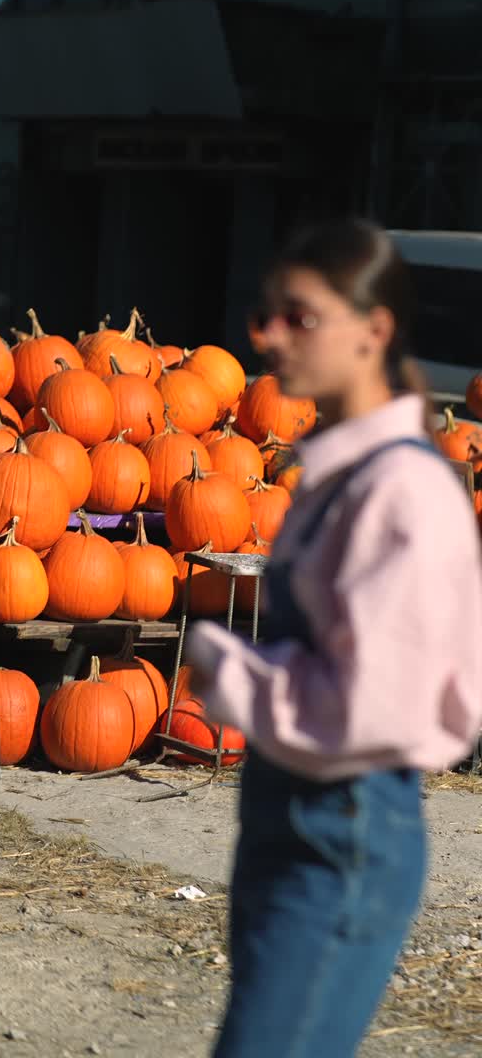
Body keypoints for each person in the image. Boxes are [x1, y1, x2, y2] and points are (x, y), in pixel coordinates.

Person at [188, 219, 482, 1058]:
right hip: (291, 814)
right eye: (267, 314)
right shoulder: (338, 477)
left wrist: (236, 676)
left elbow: (376, 703)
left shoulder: (403, 492)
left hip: (344, 827)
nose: (271, 337)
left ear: (373, 331)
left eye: (301, 316)